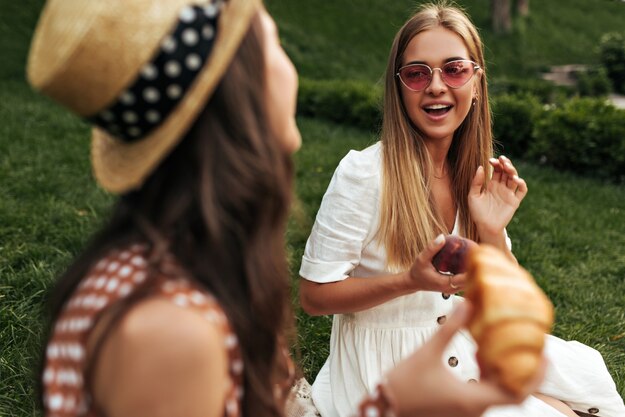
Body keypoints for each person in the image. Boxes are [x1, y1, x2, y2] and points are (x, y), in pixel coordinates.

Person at [27, 0, 548, 416]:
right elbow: (317, 296)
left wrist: (395, 402)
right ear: (240, 83)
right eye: (271, 36)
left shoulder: (193, 272)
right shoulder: (168, 331)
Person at [299, 3, 625, 417]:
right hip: (393, 369)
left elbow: (508, 302)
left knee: (586, 396)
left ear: (475, 82)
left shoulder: (472, 174)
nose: (436, 85)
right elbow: (313, 296)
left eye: (453, 69)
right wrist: (408, 281)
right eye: (417, 73)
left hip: (463, 340)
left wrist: (491, 231)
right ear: (399, 88)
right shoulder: (364, 174)